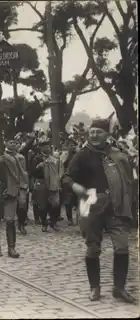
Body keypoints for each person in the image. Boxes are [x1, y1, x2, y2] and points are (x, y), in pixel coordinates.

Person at [62, 118, 136, 303]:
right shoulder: (82, 155)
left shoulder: (118, 154)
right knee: (93, 248)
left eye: (99, 132)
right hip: (90, 202)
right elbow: (66, 177)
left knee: (122, 246)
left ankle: (119, 288)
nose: (94, 135)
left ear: (108, 135)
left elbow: (130, 180)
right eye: (92, 132)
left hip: (116, 204)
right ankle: (94, 288)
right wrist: (75, 186)